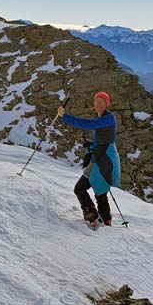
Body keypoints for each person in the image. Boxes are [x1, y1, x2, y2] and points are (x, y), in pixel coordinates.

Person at [58, 91, 121, 226]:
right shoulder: (99, 118)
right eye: (96, 101)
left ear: (106, 104)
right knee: (94, 190)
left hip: (106, 158)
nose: (98, 104)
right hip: (100, 156)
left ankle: (96, 217)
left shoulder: (108, 119)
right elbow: (103, 138)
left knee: (89, 189)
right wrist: (92, 147)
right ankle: (100, 218)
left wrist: (64, 116)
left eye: (101, 102)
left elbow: (85, 124)